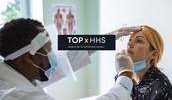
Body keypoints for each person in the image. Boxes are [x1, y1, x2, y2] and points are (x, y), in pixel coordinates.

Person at [0, 18, 141, 100]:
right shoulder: (17, 96)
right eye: (49, 49)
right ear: (30, 57)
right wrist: (125, 76)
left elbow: (66, 61)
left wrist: (104, 39)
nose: (54, 55)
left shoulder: (19, 71)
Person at [126, 25, 172, 99]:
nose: (129, 44)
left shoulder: (161, 85)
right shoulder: (122, 77)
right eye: (130, 40)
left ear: (153, 54)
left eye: (139, 41)